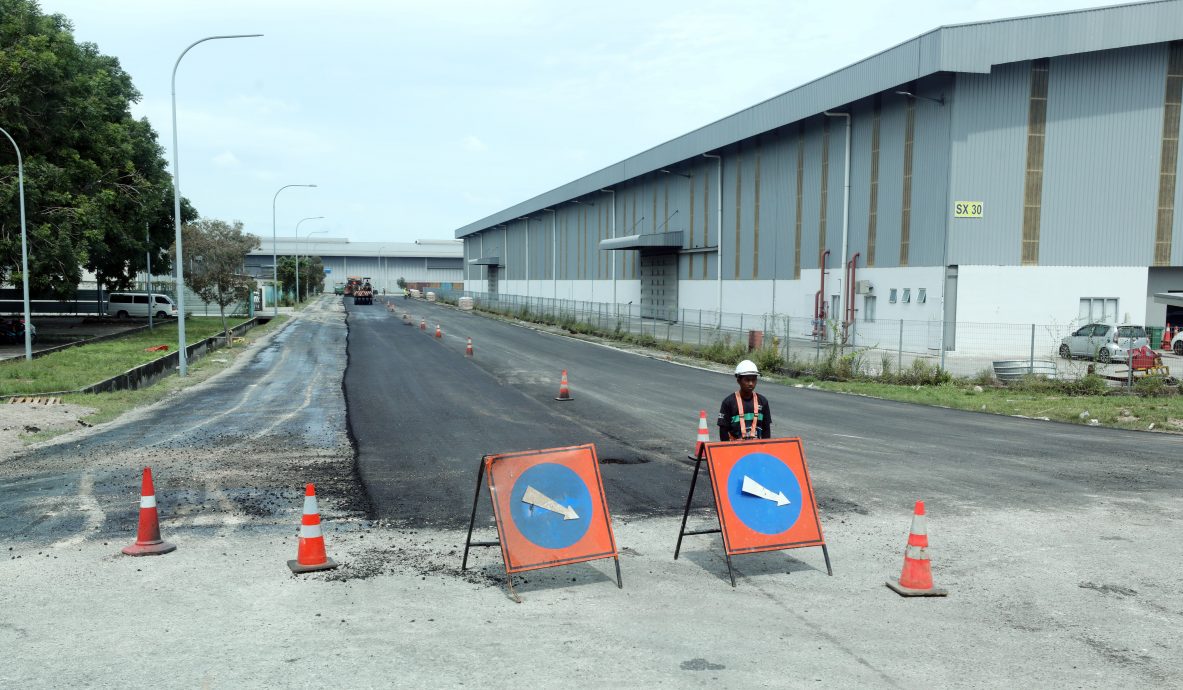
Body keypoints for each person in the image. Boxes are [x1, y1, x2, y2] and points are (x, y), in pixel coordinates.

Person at [717, 359, 772, 441]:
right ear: (738, 380)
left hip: (757, 450)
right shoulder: (728, 402)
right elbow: (723, 431)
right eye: (747, 380)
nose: (751, 383)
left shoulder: (763, 401)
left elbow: (766, 429)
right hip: (735, 449)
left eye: (753, 380)